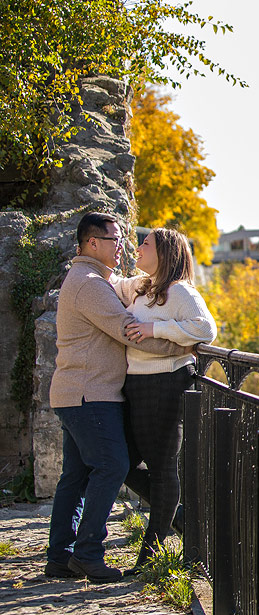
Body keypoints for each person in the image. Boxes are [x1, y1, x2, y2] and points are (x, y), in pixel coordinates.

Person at [46, 213, 191, 583]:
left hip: (79, 392)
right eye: (114, 240)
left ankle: (60, 557)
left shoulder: (94, 279)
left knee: (75, 476)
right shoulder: (90, 284)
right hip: (89, 394)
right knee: (112, 466)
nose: (122, 247)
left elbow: (143, 290)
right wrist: (182, 345)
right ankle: (87, 554)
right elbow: (130, 333)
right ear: (92, 244)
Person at [113, 227, 217, 573]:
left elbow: (205, 329)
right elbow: (108, 286)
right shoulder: (143, 288)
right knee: (121, 464)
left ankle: (151, 555)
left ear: (166, 253)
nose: (138, 247)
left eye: (145, 243)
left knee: (161, 469)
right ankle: (181, 519)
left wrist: (155, 330)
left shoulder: (179, 291)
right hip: (135, 386)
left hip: (166, 384)